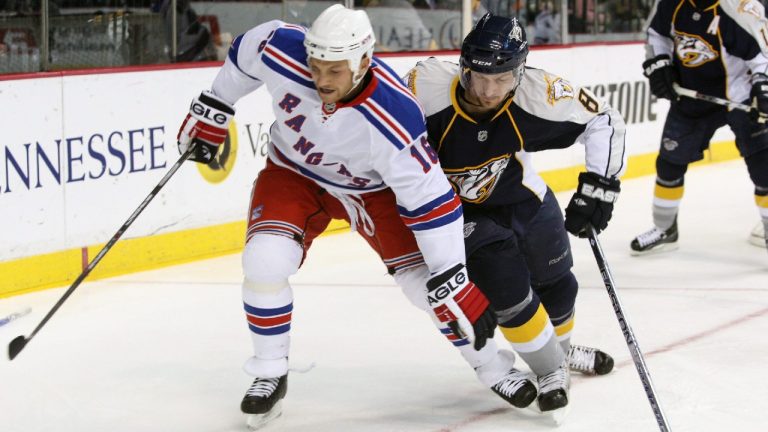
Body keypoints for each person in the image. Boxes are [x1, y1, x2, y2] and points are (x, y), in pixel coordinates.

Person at [174, 5, 504, 429]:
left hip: (370, 193)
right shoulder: (282, 47)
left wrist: (453, 275)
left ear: (364, 62)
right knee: (264, 261)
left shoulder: (396, 115)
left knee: (429, 290)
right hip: (294, 173)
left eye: (334, 71)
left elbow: (432, 201)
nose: (321, 80)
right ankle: (269, 371)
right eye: (315, 67)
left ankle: (494, 366)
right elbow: (246, 50)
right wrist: (214, 105)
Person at [405, 14, 626, 413]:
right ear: (463, 65)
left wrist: (600, 186)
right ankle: (551, 367)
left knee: (558, 283)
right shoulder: (425, 88)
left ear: (520, 71)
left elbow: (604, 120)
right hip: (458, 214)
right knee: (507, 289)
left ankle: (561, 349)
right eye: (479, 77)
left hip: (523, 196)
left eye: (502, 79)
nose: (489, 91)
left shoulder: (540, 93)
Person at [632, 0, 768, 254]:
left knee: (764, 165)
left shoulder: (738, 8)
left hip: (741, 96)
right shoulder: (670, 4)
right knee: (669, 163)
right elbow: (656, 34)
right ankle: (665, 229)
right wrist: (660, 63)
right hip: (692, 95)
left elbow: (762, 54)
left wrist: (763, 86)